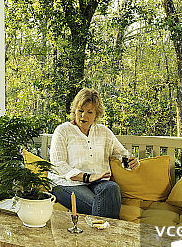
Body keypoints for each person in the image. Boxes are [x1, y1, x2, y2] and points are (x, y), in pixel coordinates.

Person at [49, 88, 139, 219]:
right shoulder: (63, 131)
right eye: (80, 111)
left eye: (89, 112)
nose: (83, 116)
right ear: (75, 110)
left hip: (98, 182)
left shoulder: (104, 132)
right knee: (101, 205)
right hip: (66, 183)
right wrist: (88, 177)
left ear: (96, 114)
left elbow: (121, 153)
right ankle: (108, 238)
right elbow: (59, 165)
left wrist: (132, 161)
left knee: (112, 188)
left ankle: (99, 237)